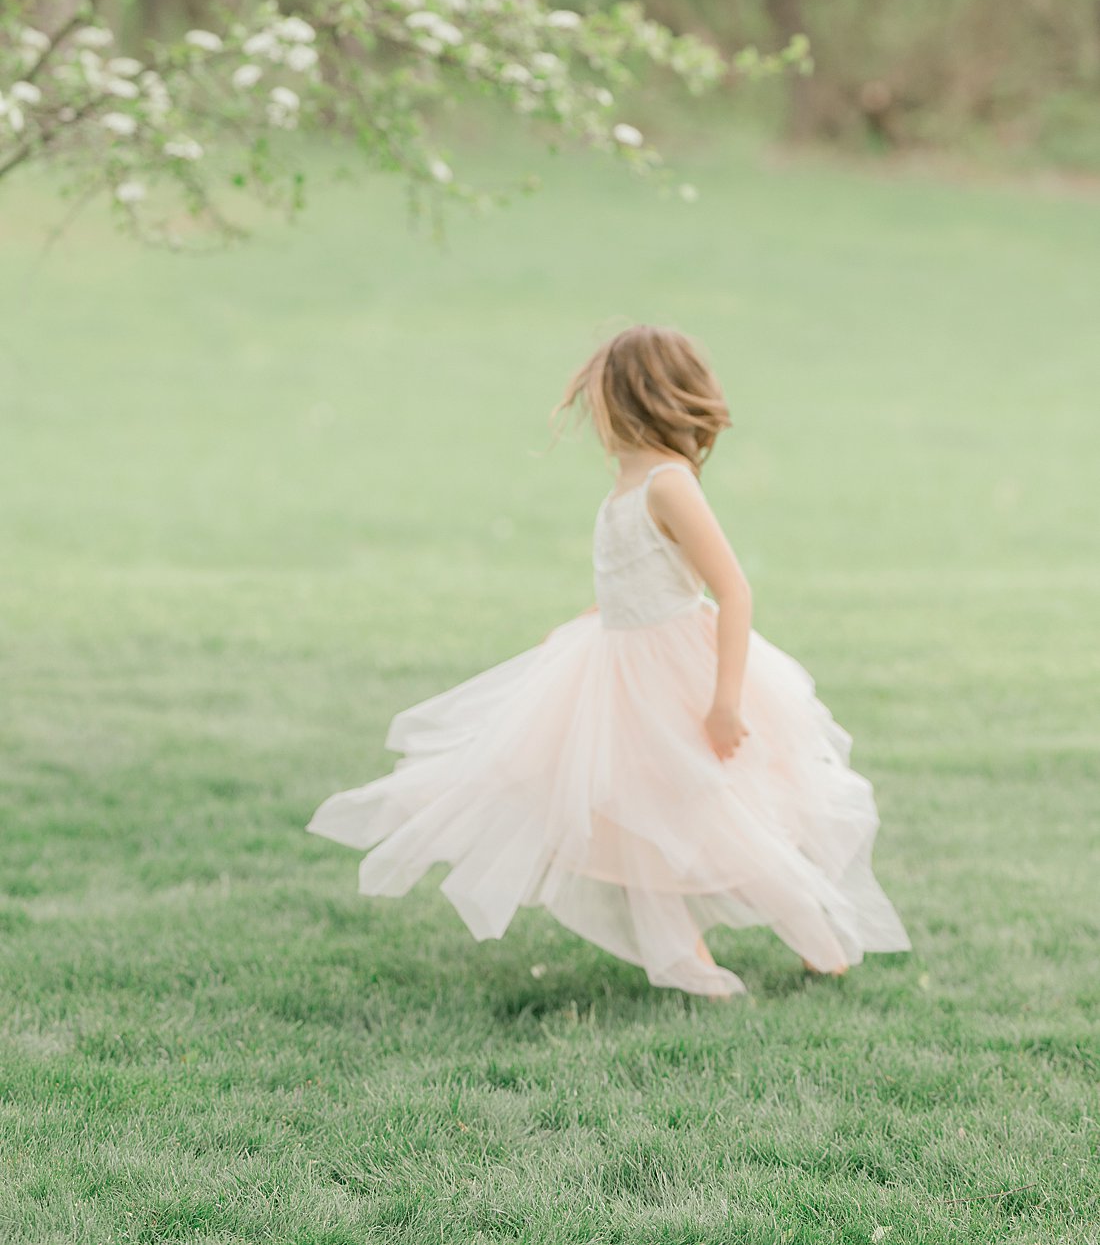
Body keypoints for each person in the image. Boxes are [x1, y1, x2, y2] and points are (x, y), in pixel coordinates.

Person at [306, 323, 911, 998]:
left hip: (679, 676)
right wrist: (583, 626)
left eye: (602, 400)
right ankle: (687, 962)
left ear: (641, 401)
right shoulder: (624, 489)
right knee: (641, 829)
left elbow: (733, 590)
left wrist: (724, 700)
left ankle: (821, 944)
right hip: (617, 675)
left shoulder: (668, 484)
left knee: (719, 821)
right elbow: (635, 584)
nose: (594, 417)